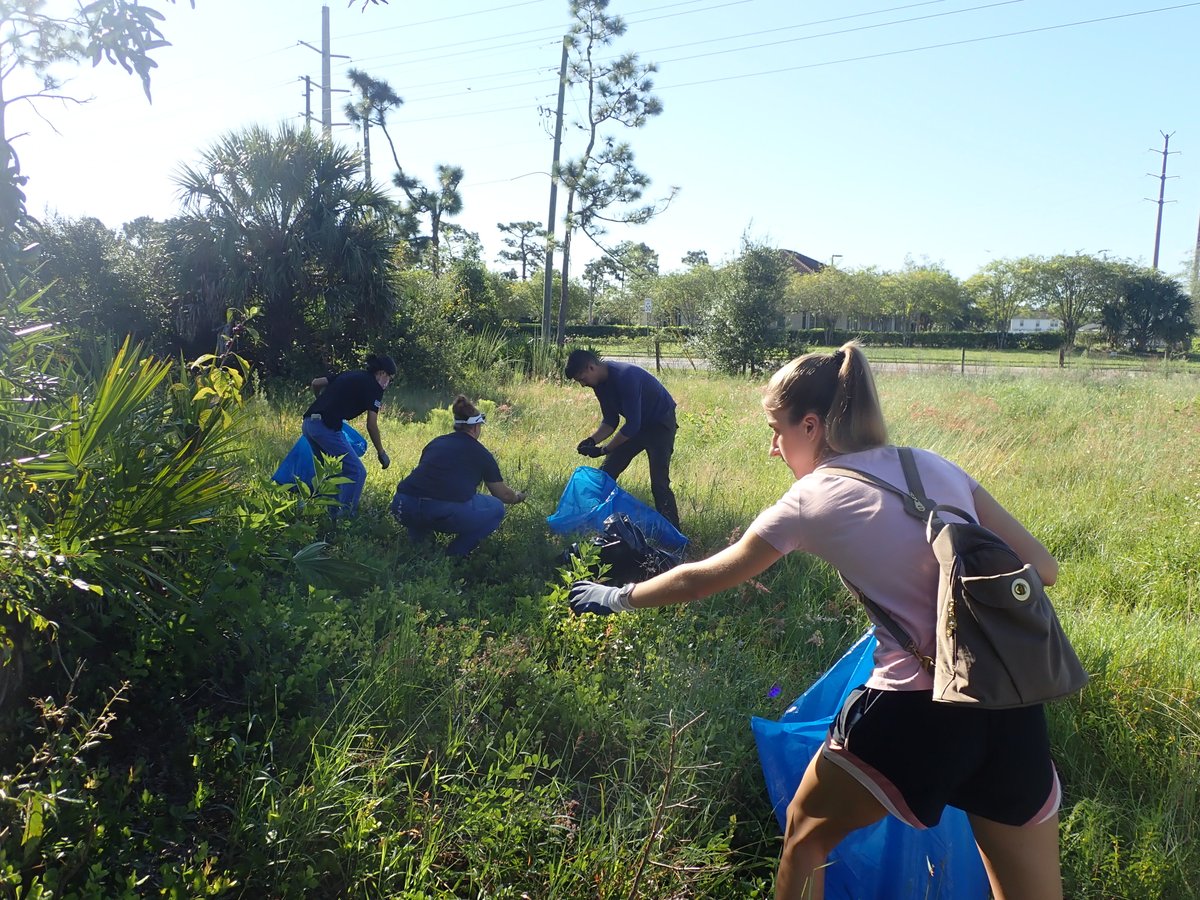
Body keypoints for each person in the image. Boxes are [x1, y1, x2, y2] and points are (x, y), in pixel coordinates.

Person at [567, 342, 1063, 900]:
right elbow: (1042, 569)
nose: (774, 448)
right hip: (1011, 700)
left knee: (804, 838)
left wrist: (617, 596)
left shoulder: (809, 497)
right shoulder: (933, 464)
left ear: (811, 424)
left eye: (777, 430)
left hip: (913, 708)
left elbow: (702, 578)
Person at [389, 395, 526, 557]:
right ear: (475, 427)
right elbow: (503, 495)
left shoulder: (435, 443)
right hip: (441, 511)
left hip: (403, 505)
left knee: (423, 500)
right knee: (496, 508)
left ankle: (418, 547)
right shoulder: (481, 454)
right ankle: (454, 555)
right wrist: (518, 497)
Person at [564, 349, 680, 529]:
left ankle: (674, 535)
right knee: (606, 473)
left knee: (659, 483)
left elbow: (632, 425)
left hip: (660, 425)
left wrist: (605, 449)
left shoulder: (625, 376)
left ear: (591, 367)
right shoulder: (599, 384)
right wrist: (592, 441)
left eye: (582, 378)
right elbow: (611, 420)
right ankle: (593, 522)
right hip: (638, 425)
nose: (582, 384)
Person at [302, 353, 396, 518]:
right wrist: (381, 452)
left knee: (333, 471)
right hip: (325, 427)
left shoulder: (351, 374)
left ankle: (329, 517)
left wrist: (321, 403)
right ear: (382, 373)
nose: (388, 384)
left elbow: (316, 383)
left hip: (309, 424)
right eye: (389, 378)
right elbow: (371, 425)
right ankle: (345, 520)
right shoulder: (375, 387)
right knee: (357, 471)